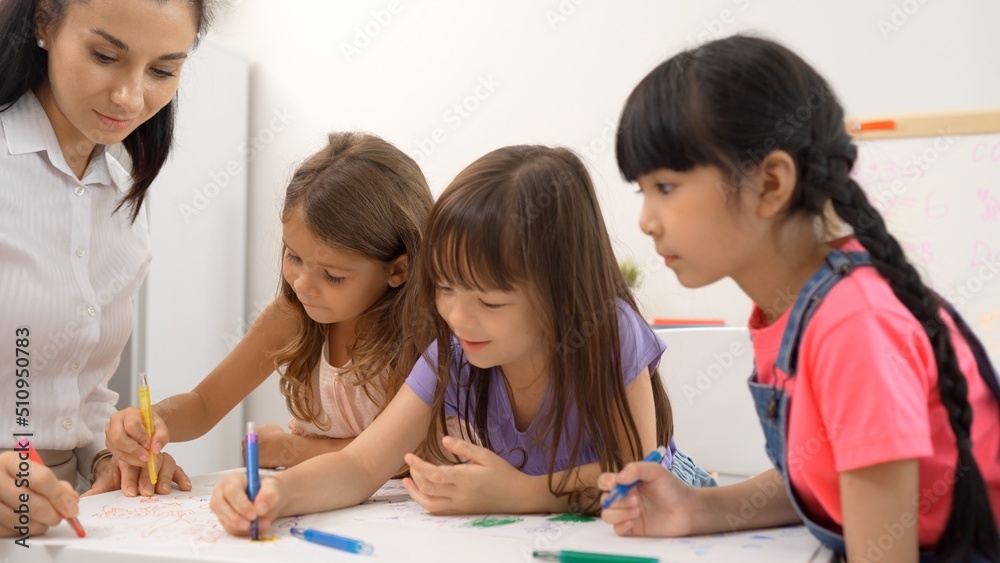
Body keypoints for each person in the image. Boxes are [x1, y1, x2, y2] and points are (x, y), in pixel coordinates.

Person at [598, 34, 1000, 562]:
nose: (646, 221)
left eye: (666, 187)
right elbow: (831, 475)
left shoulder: (853, 325)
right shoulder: (799, 310)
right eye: (641, 191)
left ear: (770, 184)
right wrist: (699, 508)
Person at [208, 144, 715, 536]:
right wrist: (275, 494)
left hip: (665, 513)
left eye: (490, 302)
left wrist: (521, 494)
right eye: (444, 288)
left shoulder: (609, 334)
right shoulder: (453, 353)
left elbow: (636, 475)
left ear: (563, 296)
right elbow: (360, 465)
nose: (457, 317)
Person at [105, 132, 434, 496]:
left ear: (398, 270)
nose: (302, 285)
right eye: (293, 256)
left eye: (333, 276)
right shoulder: (292, 315)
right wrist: (153, 420)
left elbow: (405, 455)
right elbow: (204, 404)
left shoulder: (420, 335)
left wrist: (288, 450)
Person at [0, 0, 214, 538]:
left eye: (163, 70)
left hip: (64, 513)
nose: (131, 96)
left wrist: (108, 457)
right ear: (45, 24)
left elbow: (84, 392)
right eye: (104, 56)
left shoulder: (123, 203)